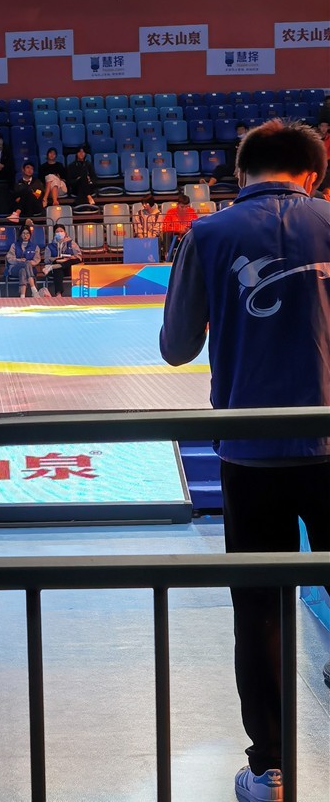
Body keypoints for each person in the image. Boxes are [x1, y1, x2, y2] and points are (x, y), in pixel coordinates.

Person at [159, 119, 330, 802]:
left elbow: (176, 347)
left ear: (241, 173)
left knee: (258, 610)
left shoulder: (208, 234)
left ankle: (269, 771)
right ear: (312, 175)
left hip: (249, 452)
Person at [43, 223, 82, 297]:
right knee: (58, 268)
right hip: (55, 270)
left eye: (61, 231)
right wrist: (55, 259)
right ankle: (58, 293)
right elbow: (46, 260)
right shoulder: (50, 246)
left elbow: (79, 257)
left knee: (74, 260)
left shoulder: (71, 243)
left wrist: (69, 258)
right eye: (57, 232)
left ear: (65, 232)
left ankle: (53, 266)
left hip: (69, 268)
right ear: (54, 234)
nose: (59, 233)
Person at [5, 225, 41, 298]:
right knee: (26, 264)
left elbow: (37, 260)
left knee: (23, 270)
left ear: (30, 235)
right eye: (23, 233)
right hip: (15, 268)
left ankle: (22, 295)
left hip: (30, 269)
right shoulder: (14, 245)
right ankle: (33, 289)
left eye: (27, 233)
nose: (25, 235)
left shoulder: (35, 247)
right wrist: (19, 261)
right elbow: (10, 258)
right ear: (20, 234)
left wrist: (30, 263)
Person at [161, 194, 198, 260]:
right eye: (182, 207)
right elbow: (165, 227)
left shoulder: (191, 211)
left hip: (187, 234)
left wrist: (188, 229)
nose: (184, 209)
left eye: (187, 207)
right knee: (166, 233)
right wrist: (178, 229)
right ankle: (167, 255)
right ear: (177, 205)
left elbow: (196, 224)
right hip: (174, 236)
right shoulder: (170, 212)